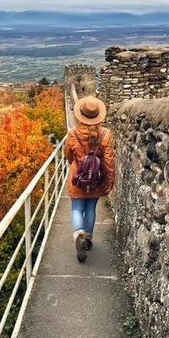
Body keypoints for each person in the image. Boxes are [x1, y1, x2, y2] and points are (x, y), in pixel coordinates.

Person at [63, 96, 115, 262]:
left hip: (78, 178)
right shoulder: (105, 134)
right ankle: (88, 238)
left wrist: (77, 165)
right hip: (96, 179)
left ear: (81, 114)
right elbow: (108, 161)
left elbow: (67, 155)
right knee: (91, 207)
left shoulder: (73, 133)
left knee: (77, 208)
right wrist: (109, 182)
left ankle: (79, 236)